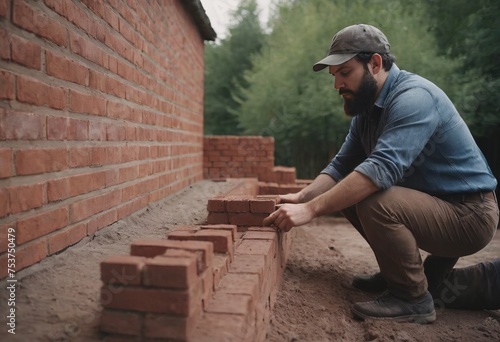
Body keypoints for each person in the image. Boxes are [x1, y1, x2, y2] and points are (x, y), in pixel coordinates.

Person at [263, 24, 499, 324]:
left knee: (375, 201)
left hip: (469, 214)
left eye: (345, 72)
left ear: (374, 64)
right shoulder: (367, 111)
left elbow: (381, 169)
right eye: (333, 76)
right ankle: (396, 273)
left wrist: (310, 210)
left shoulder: (414, 98)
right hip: (437, 206)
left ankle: (411, 298)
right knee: (344, 193)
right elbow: (341, 166)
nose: (337, 85)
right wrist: (302, 196)